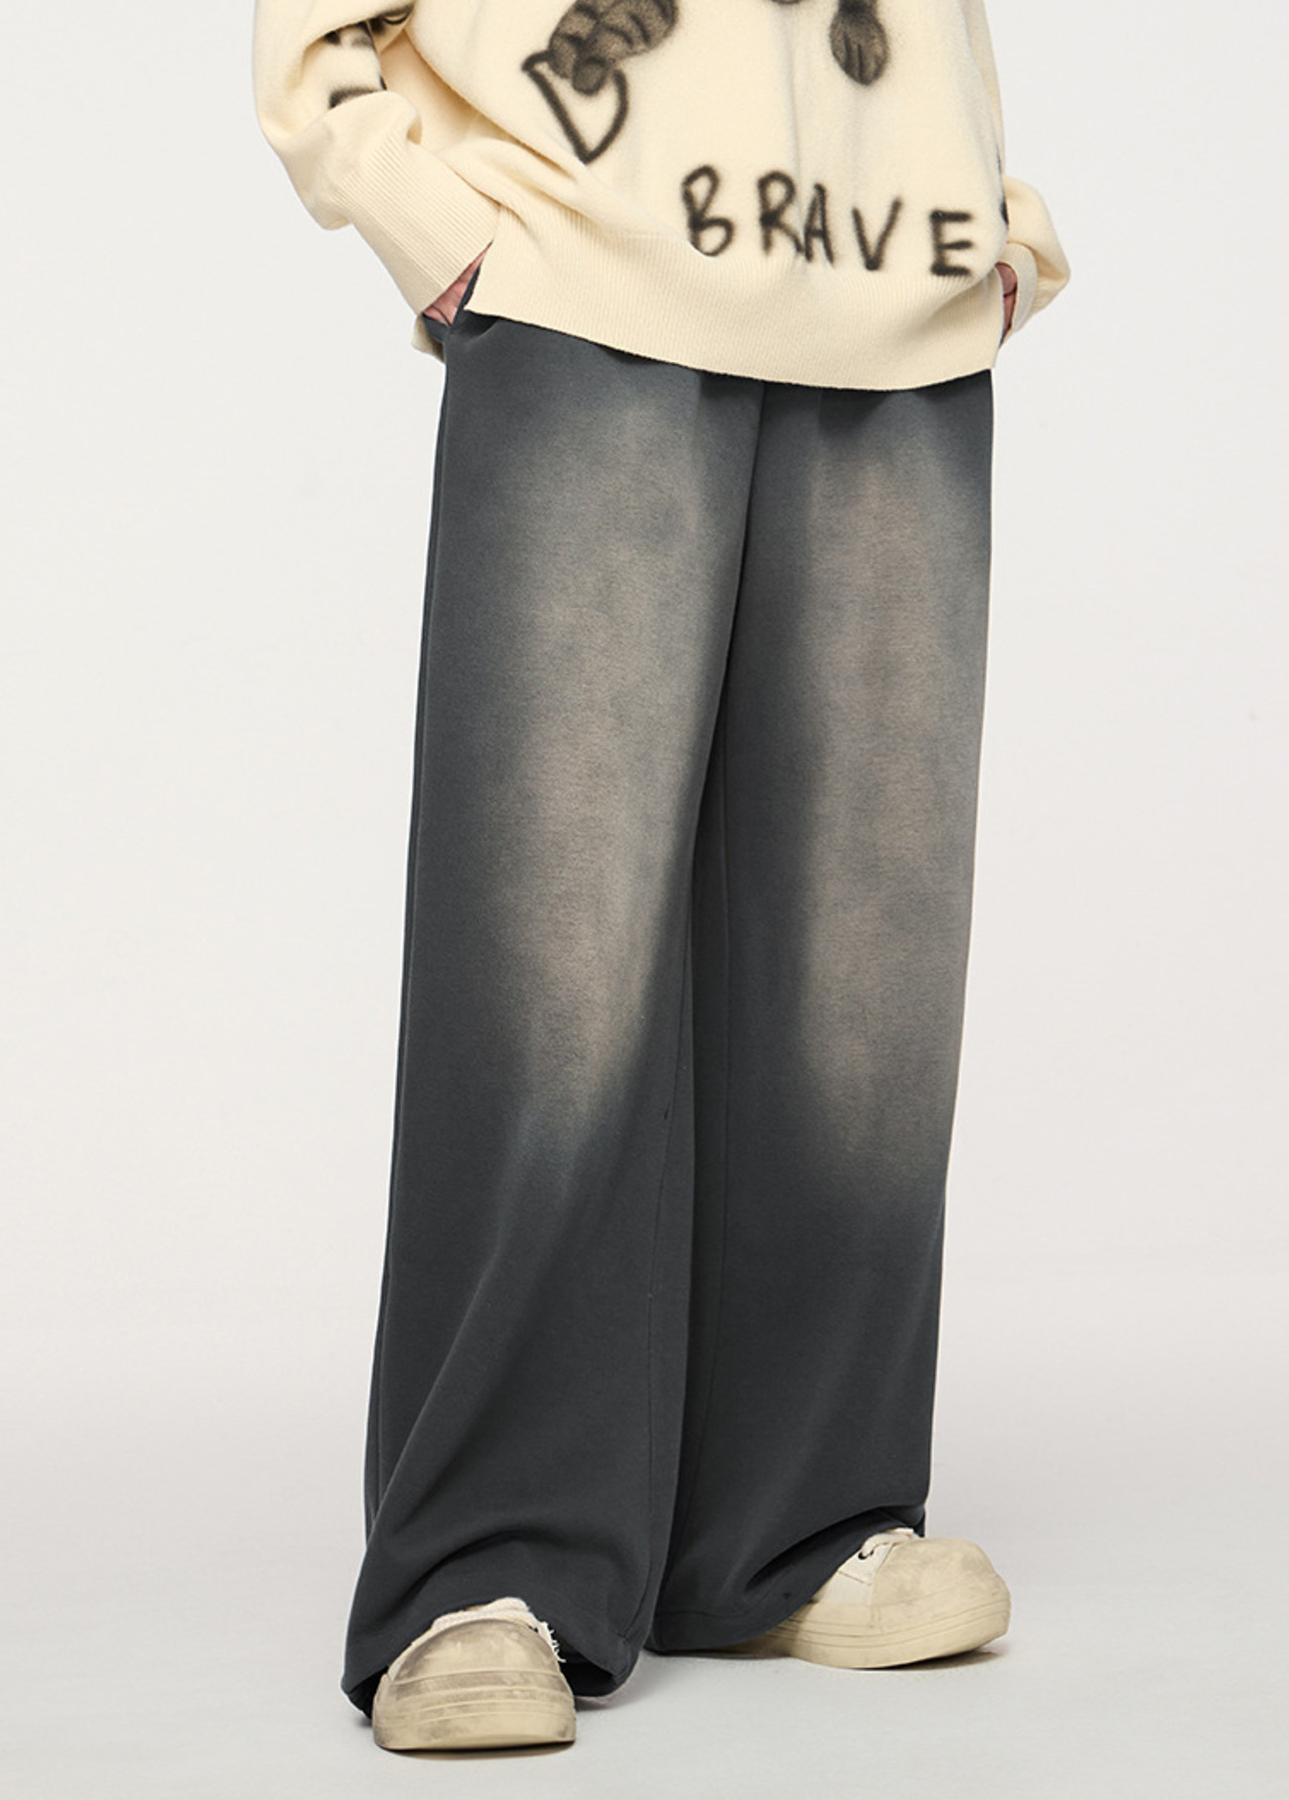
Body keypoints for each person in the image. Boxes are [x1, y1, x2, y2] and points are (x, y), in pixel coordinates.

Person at [252, 0, 1069, 1756]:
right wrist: (424, 212)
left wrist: (992, 222)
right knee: (550, 962)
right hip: (583, 268)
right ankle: (484, 1568)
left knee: (864, 978)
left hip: (901, 295)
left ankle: (796, 1529)